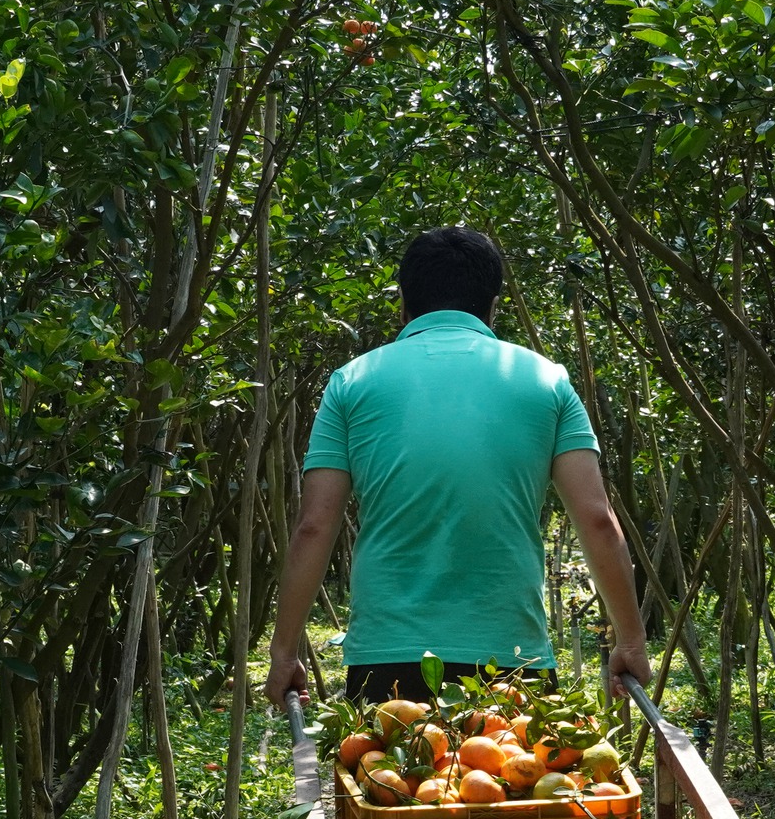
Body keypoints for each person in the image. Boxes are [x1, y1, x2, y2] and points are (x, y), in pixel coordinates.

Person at [263, 226, 652, 710]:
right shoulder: (546, 380)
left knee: (393, 784)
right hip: (511, 655)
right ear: (494, 304)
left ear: (402, 302)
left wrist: (283, 653)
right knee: (520, 783)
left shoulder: (352, 381)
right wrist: (631, 642)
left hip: (389, 657)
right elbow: (596, 519)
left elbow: (314, 526)